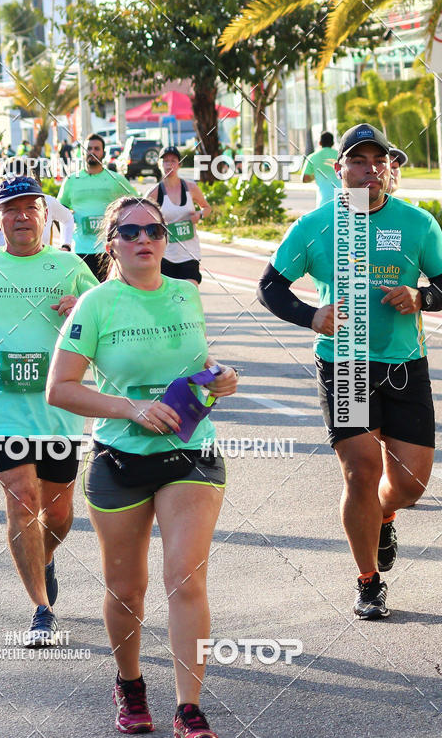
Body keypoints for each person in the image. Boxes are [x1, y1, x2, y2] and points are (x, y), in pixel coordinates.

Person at [47, 195, 237, 738]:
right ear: (113, 246)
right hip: (120, 459)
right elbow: (60, 388)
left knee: (186, 577)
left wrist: (221, 377)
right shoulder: (95, 305)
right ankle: (130, 686)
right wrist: (129, 408)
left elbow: (201, 368)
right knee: (127, 589)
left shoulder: (187, 293)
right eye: (130, 233)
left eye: (153, 229)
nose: (144, 239)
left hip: (191, 453)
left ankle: (190, 711)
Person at [257, 123, 442, 620]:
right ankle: (368, 581)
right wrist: (311, 316)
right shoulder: (314, 226)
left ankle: (385, 515)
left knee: (410, 484)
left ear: (390, 169)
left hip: (404, 365)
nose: (371, 170)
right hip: (346, 365)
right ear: (339, 170)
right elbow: (270, 287)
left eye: (379, 161)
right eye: (359, 162)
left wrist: (422, 296)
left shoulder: (417, 224)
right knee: (362, 471)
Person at [0, 176, 97, 644]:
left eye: (31, 208)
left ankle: (44, 556)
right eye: (11, 210)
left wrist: (83, 308)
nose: (22, 216)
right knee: (21, 499)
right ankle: (41, 609)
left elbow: (107, 317)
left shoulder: (71, 267)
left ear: (45, 217)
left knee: (58, 512)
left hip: (59, 409)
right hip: (4, 407)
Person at [57, 134, 137, 280]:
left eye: (96, 149)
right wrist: (66, 241)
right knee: (84, 294)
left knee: (108, 293)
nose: (92, 152)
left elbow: (136, 205)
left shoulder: (116, 179)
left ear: (104, 153)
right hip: (80, 249)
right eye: (89, 148)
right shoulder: (71, 180)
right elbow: (59, 213)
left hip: (109, 249)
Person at [0, 161, 74, 254]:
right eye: (11, 210)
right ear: (3, 181)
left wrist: (66, 246)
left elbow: (67, 218)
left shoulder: (46, 201)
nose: (18, 185)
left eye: (31, 208)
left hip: (43, 267)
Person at [147, 146, 211, 285]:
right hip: (166, 254)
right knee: (170, 297)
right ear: (160, 164)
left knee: (190, 291)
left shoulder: (191, 187)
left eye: (173, 160)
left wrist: (199, 215)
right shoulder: (154, 192)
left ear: (179, 164)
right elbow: (143, 218)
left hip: (190, 252)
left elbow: (207, 208)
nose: (169, 164)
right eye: (166, 161)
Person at [302, 131, 339, 206]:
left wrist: (315, 175)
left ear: (320, 143)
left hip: (323, 200)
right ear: (333, 143)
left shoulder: (312, 157)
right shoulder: (341, 156)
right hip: (342, 199)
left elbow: (305, 179)